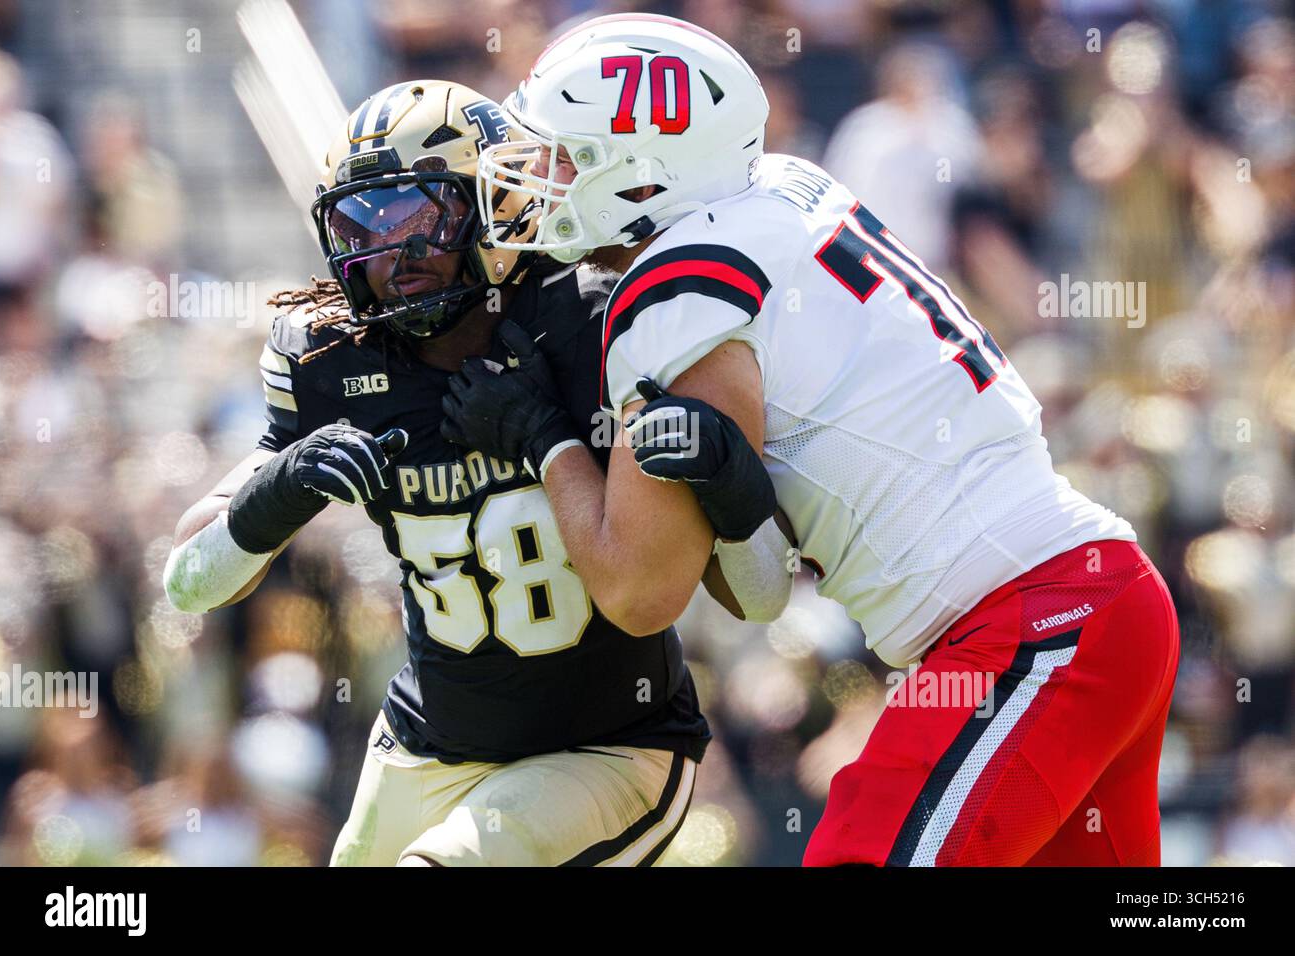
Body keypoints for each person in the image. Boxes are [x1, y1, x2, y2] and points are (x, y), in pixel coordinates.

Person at [441, 14, 1181, 866]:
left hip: (1033, 623)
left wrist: (545, 442)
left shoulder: (680, 288)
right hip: (1090, 598)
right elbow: (760, 585)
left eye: (568, 154)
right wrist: (738, 502)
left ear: (644, 174)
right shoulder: (787, 188)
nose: (542, 178)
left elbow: (639, 590)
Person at [163, 79, 711, 866]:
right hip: (430, 742)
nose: (390, 255)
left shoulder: (589, 316)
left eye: (417, 218)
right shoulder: (329, 359)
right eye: (361, 224)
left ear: (492, 205)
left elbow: (707, 578)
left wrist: (547, 437)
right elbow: (188, 580)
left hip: (610, 747)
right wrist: (277, 492)